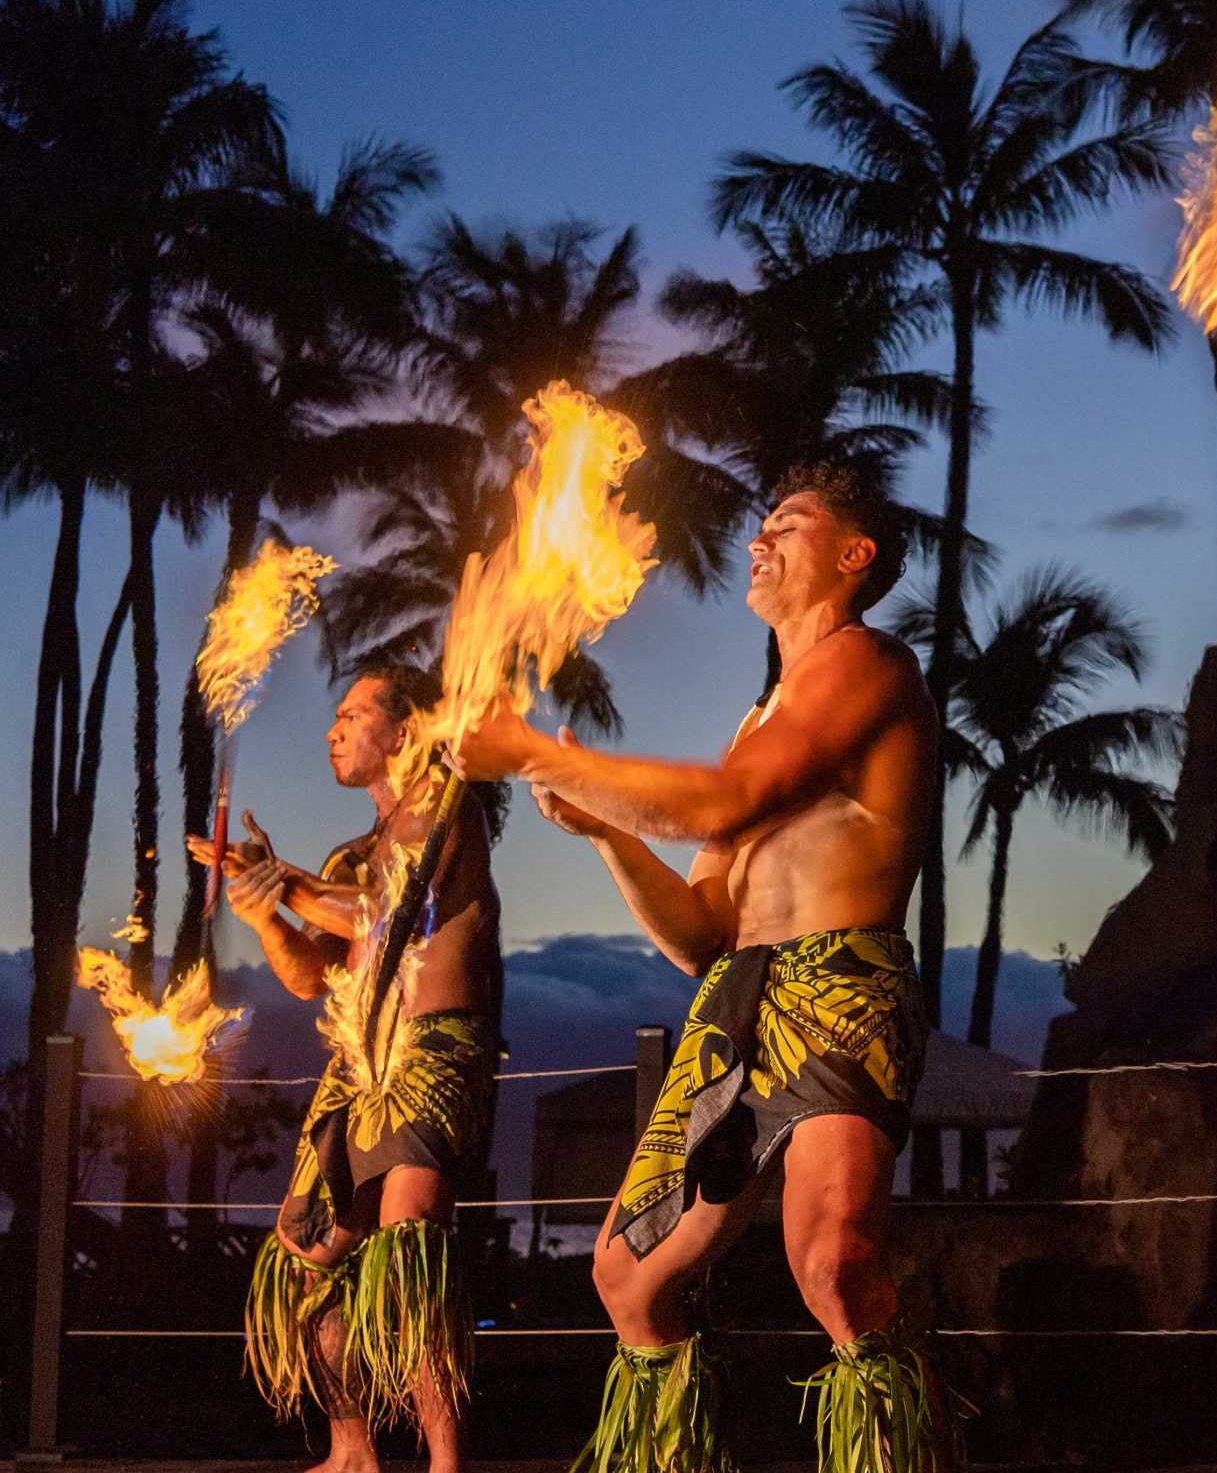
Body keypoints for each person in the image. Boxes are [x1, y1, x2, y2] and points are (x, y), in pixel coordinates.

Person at [458, 453, 959, 1473]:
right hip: (742, 997)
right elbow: (700, 932)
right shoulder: (759, 719)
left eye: (791, 518)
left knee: (832, 1264)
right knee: (628, 1280)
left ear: (854, 555)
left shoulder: (868, 665)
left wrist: (540, 756)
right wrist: (606, 831)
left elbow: (727, 803)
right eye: (761, 518)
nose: (759, 535)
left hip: (838, 989)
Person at [193, 664, 503, 1473]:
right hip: (353, 1068)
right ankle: (352, 1450)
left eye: (351, 714)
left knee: (410, 1256)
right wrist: (264, 913)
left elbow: (395, 909)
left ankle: (446, 1462)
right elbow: (311, 976)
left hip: (432, 1049)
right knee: (306, 1258)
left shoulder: (444, 804)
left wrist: (280, 878)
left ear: (402, 732)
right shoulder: (348, 855)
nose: (332, 730)